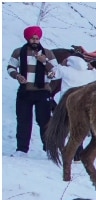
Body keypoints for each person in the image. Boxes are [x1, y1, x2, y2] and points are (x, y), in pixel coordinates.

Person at [7, 25, 59, 157]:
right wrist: (17, 76)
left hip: (43, 92)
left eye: (37, 38)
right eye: (32, 38)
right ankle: (22, 149)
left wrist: (44, 62)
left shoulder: (48, 53)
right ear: (27, 39)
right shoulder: (18, 52)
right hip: (25, 91)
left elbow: (56, 73)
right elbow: (10, 67)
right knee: (23, 120)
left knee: (45, 121)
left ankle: (48, 149)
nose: (35, 40)